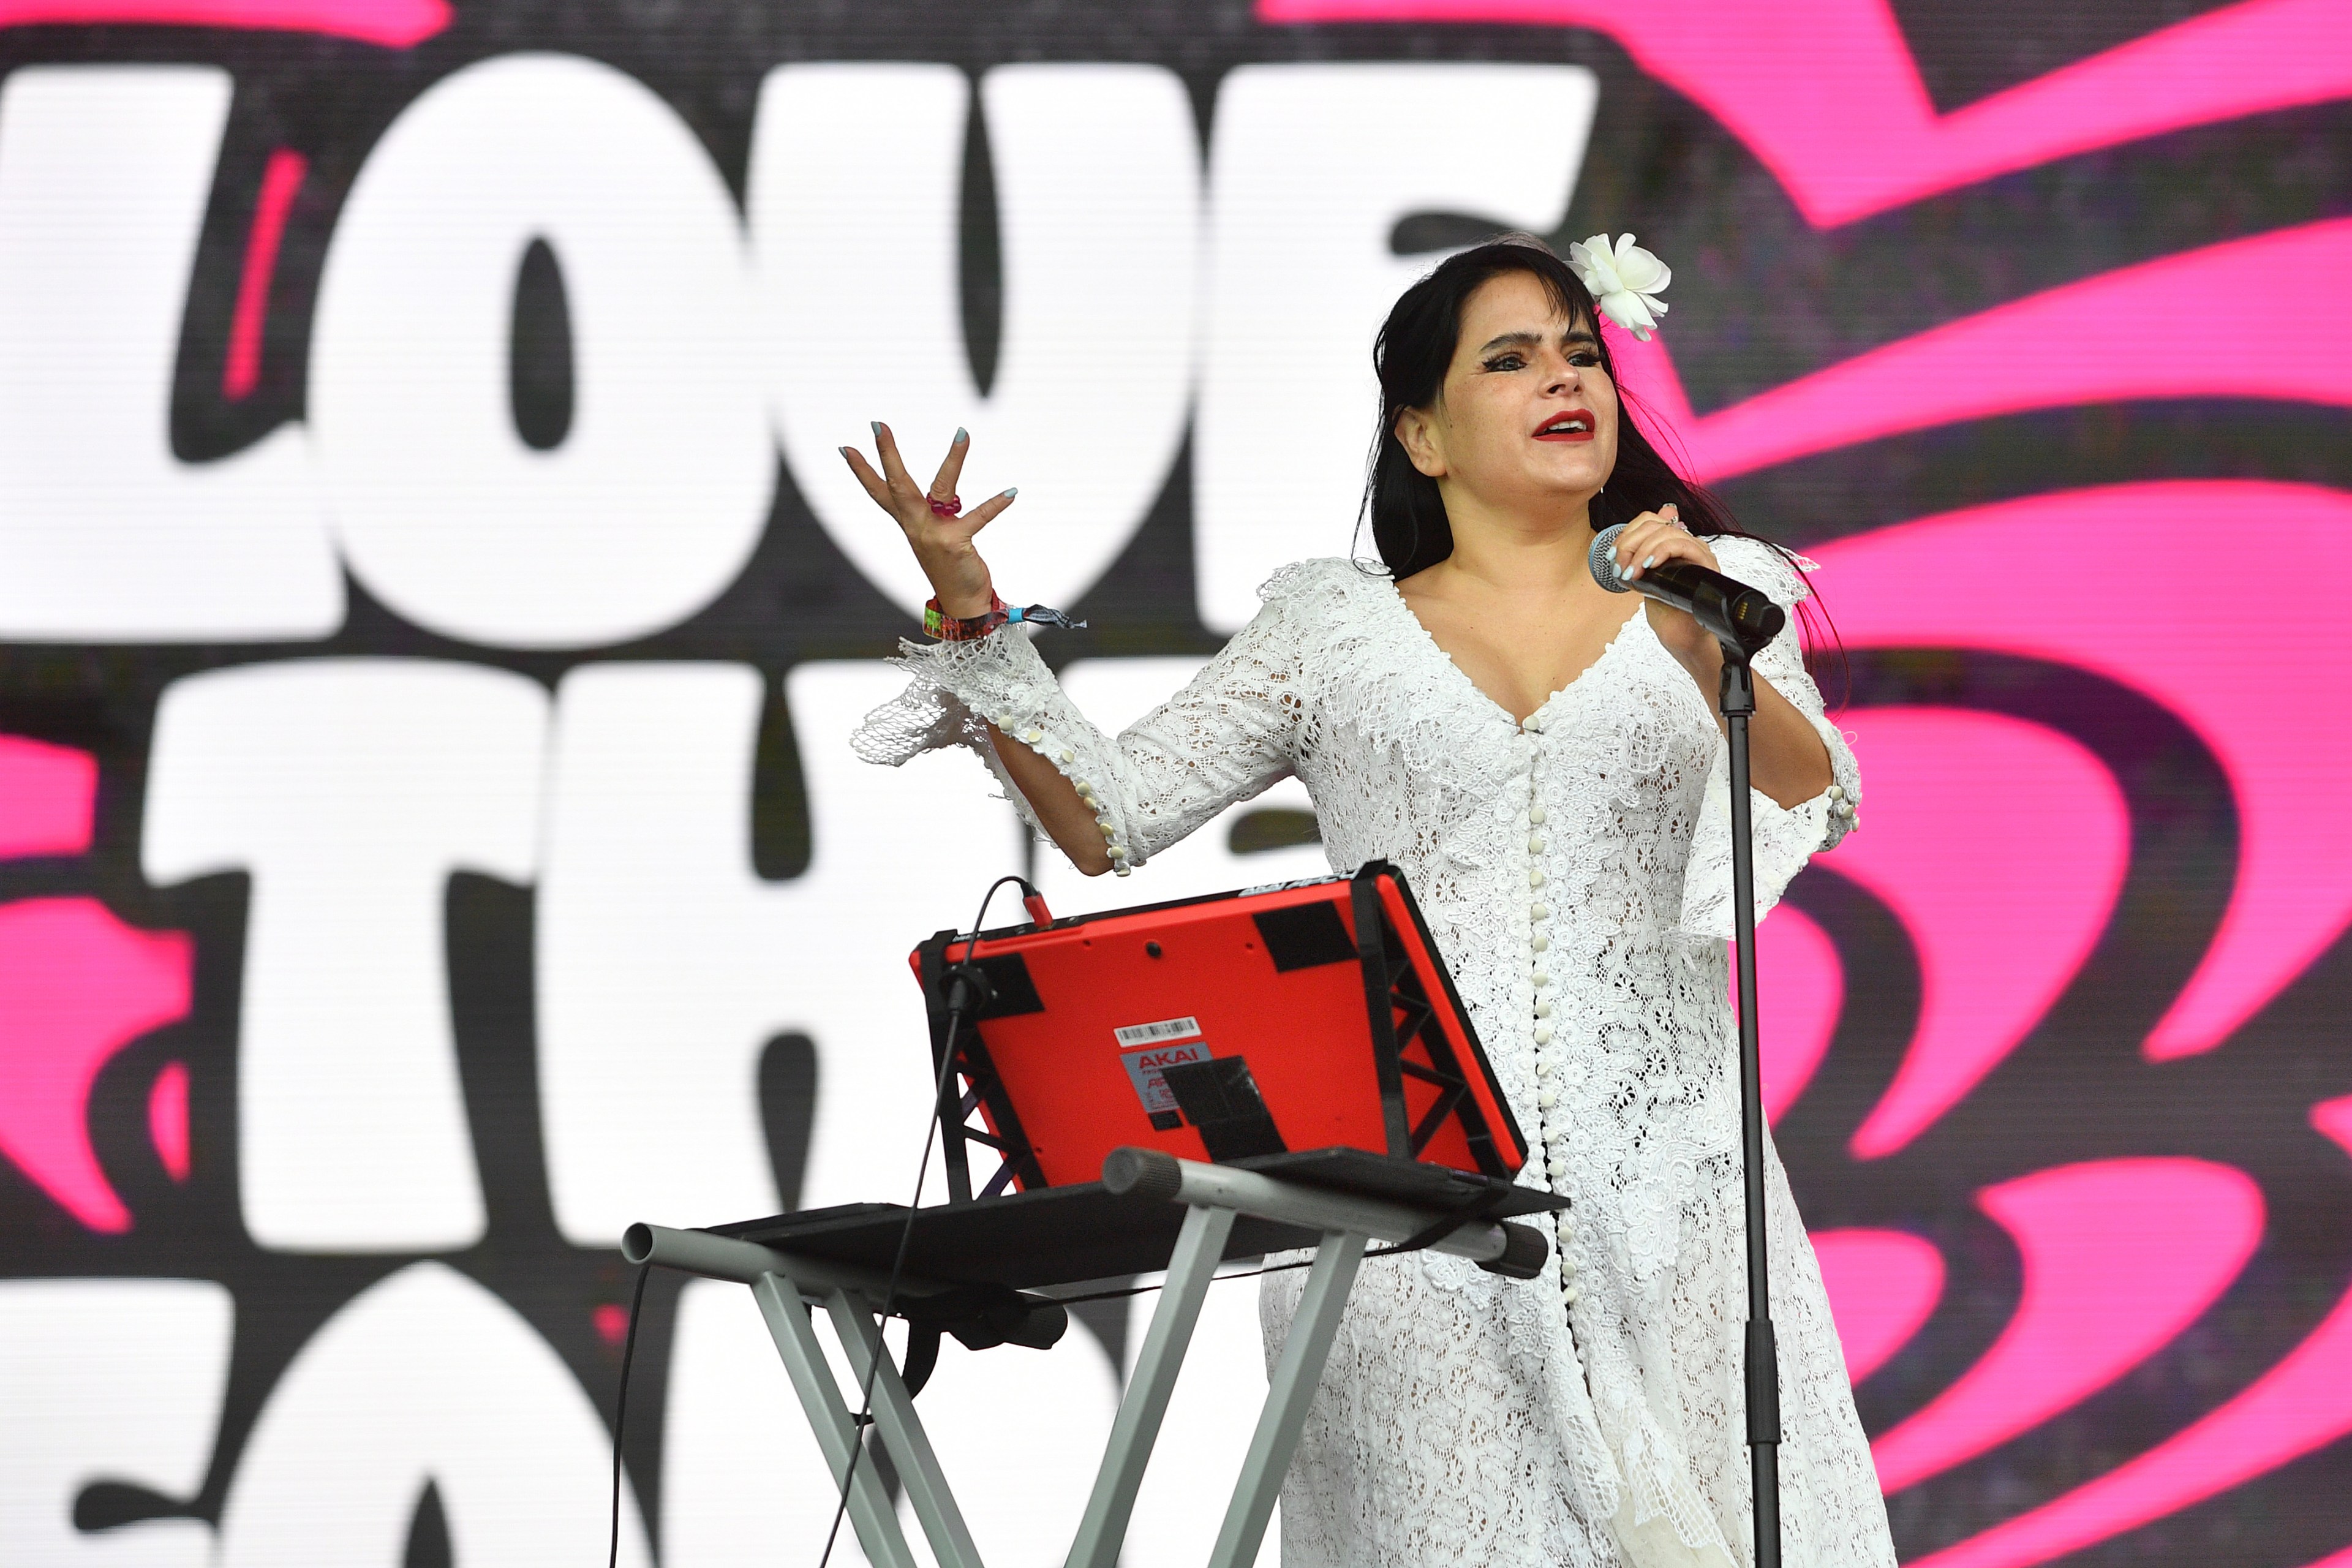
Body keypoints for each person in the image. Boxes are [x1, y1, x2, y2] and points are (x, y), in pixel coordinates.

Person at [845, 235, 1896, 1568]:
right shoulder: (1330, 629)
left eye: (1583, 353)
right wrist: (970, 607)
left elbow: (1811, 790)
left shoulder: (1723, 593)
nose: (1562, 378)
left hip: (1676, 1207)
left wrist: (1700, 641)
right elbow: (1106, 814)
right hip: (1404, 1228)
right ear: (1423, 432)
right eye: (1508, 358)